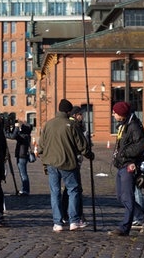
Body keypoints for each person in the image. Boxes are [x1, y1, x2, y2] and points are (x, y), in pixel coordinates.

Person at [37, 99, 90, 232]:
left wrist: (44, 159)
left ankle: (57, 222)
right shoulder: (71, 125)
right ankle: (74, 220)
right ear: (68, 111)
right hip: (68, 163)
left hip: (51, 163)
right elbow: (82, 145)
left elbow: (41, 146)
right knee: (73, 190)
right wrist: (90, 155)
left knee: (55, 193)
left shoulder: (48, 124)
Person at [108, 101, 144, 237]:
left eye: (115, 113)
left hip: (129, 164)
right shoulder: (124, 125)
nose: (113, 115)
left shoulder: (134, 126)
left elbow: (139, 146)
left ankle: (125, 227)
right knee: (120, 196)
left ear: (121, 114)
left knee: (127, 197)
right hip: (121, 164)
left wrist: (124, 153)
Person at [5, 120, 32, 196]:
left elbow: (12, 136)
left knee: (23, 174)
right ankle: (25, 189)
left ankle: (25, 190)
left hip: (21, 156)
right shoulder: (27, 135)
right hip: (23, 155)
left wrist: (13, 128)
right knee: (23, 173)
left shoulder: (23, 136)